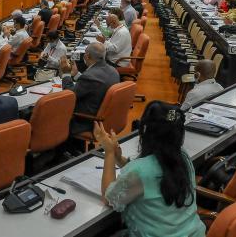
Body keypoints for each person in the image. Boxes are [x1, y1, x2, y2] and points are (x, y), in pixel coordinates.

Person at [95, 101, 206, 237]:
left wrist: (109, 153)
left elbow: (109, 197)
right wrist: (119, 158)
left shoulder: (140, 171)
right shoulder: (183, 157)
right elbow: (145, 176)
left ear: (144, 131)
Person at [59, 43, 119, 134]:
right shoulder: (113, 71)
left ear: (87, 56)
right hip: (105, 117)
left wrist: (66, 73)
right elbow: (93, 86)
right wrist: (76, 74)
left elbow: (69, 95)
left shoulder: (90, 76)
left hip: (85, 120)